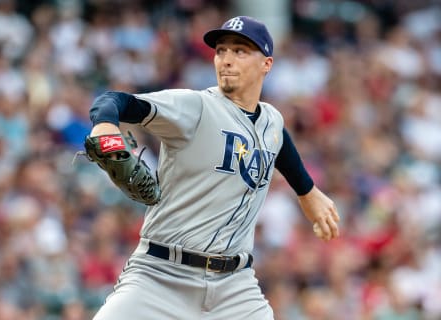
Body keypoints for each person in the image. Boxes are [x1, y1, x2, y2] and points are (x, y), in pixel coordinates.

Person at [88, 16, 340, 320]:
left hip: (235, 287)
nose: (227, 60)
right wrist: (105, 124)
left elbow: (278, 140)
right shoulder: (193, 107)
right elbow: (114, 100)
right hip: (160, 276)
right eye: (221, 51)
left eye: (240, 51)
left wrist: (307, 192)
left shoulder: (271, 118)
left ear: (267, 64)